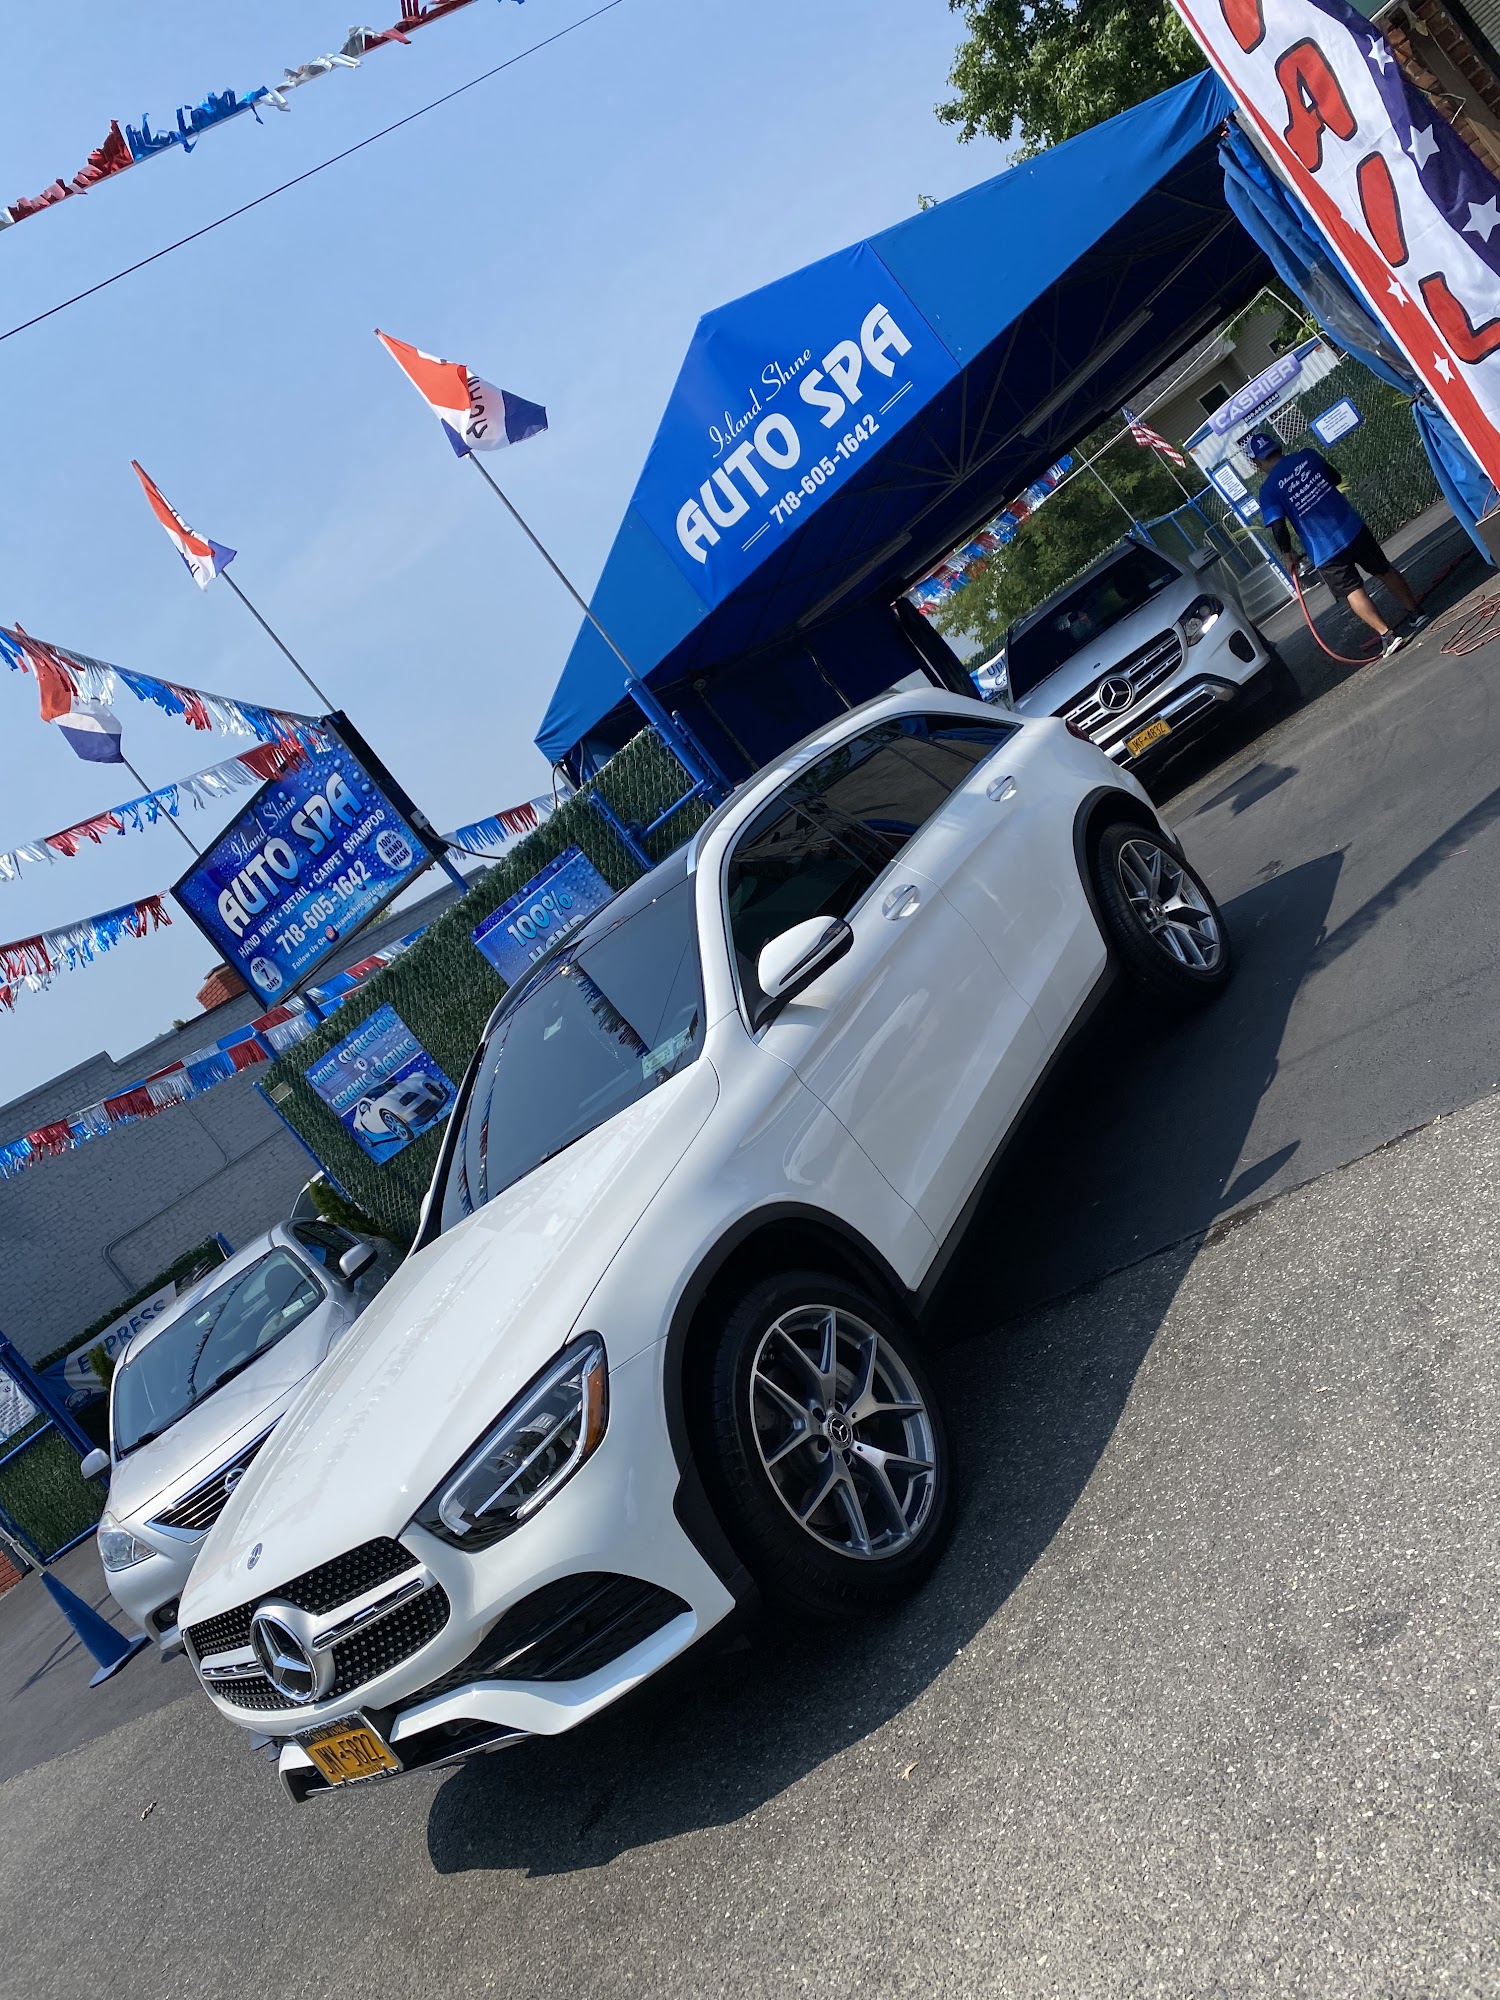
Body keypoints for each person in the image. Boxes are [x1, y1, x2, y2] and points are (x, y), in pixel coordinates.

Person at [1246, 429, 1429, 658]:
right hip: (1351, 527)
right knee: (1383, 569)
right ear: (1277, 447)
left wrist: (1287, 554)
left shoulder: (1268, 490)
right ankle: (1416, 612)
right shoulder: (1307, 456)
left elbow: (1278, 525)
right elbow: (1335, 478)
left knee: (1352, 589)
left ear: (1257, 463)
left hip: (1325, 549)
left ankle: (1388, 635)